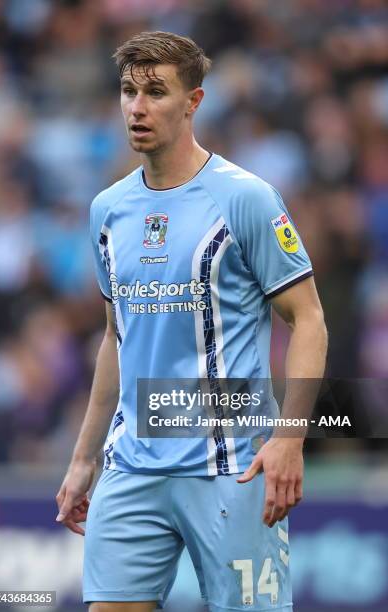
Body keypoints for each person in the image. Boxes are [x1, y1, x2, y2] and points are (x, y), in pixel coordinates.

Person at [56, 31, 328, 612]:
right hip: (132, 465)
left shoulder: (246, 199)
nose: (137, 106)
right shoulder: (108, 210)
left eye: (156, 92)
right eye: (129, 91)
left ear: (194, 101)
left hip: (230, 467)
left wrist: (290, 438)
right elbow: (115, 336)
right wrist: (84, 459)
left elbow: (308, 320)